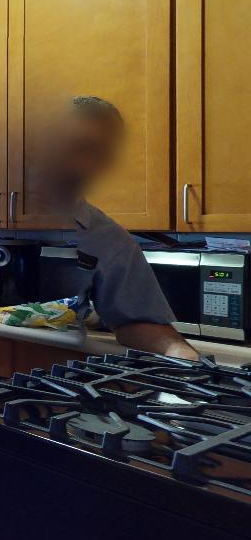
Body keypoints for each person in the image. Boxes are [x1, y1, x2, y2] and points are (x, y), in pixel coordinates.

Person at [31, 96, 199, 360]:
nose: (86, 165)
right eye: (79, 147)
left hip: (57, 372)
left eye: (100, 153)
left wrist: (182, 354)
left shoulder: (110, 240)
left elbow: (134, 323)